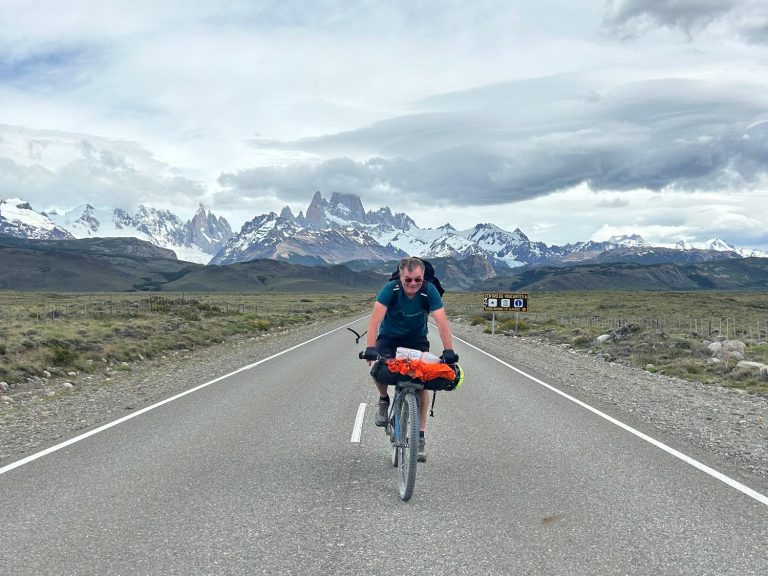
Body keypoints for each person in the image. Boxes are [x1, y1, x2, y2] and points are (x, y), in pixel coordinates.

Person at [363, 256, 459, 462]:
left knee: (422, 383)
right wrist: (370, 348)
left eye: (417, 279)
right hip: (389, 337)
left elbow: (442, 322)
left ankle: (420, 435)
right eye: (408, 279)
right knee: (378, 366)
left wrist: (448, 350)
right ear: (401, 276)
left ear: (423, 277)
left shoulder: (429, 291)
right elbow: (374, 321)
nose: (413, 284)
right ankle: (384, 399)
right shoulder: (390, 289)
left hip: (417, 339)